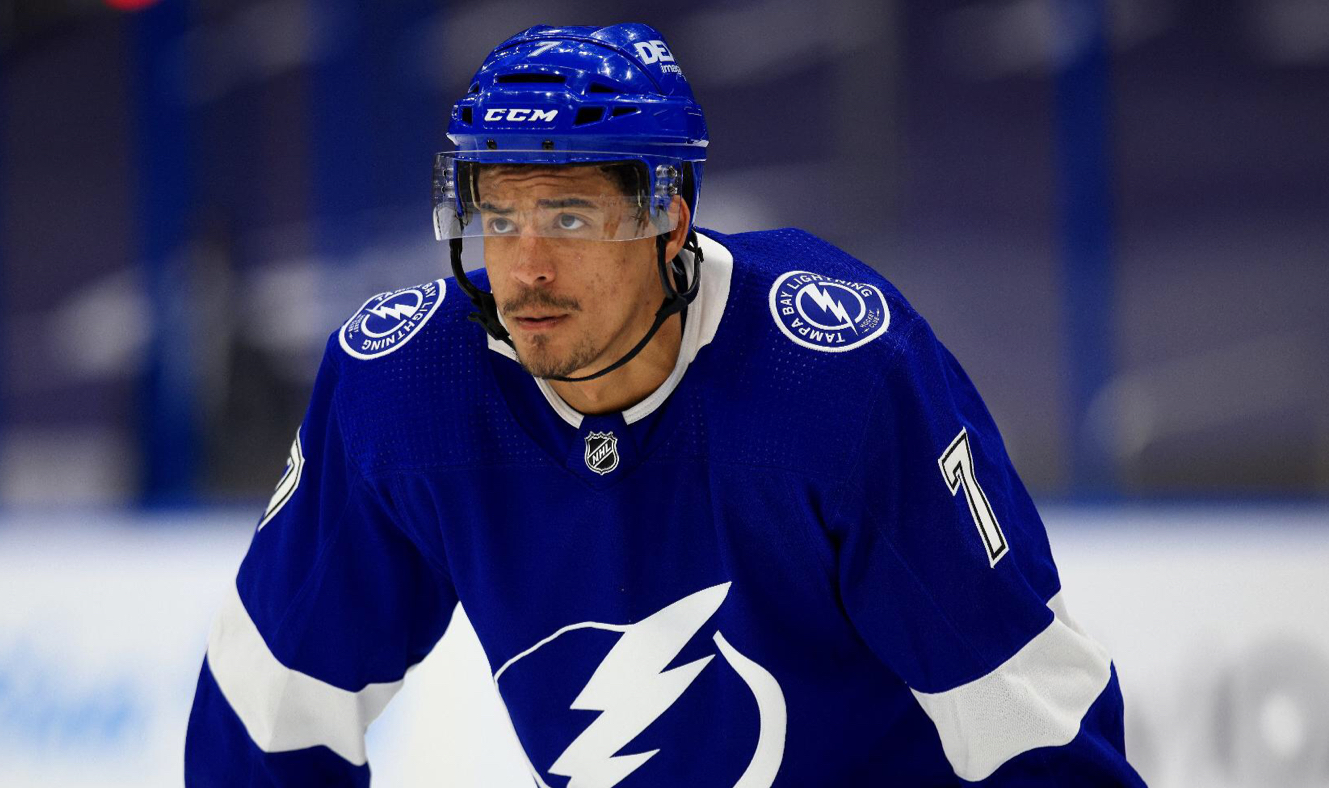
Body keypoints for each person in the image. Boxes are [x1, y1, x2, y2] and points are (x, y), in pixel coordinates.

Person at [185, 23, 1146, 787]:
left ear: (667, 219)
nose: (525, 268)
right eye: (500, 219)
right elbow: (269, 706)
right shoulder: (403, 392)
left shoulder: (837, 379)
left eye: (568, 217)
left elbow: (1036, 723)